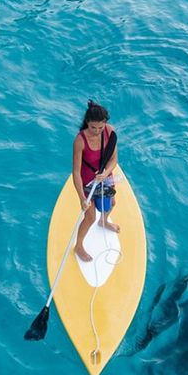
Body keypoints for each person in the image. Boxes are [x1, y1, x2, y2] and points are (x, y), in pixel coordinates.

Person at [73, 100, 119, 262]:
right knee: (89, 216)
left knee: (112, 203)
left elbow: (114, 159)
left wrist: (106, 173)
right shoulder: (80, 141)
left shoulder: (110, 132)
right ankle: (78, 245)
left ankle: (104, 221)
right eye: (93, 127)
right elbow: (76, 172)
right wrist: (82, 198)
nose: (97, 131)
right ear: (87, 123)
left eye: (101, 127)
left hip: (105, 175)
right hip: (87, 181)